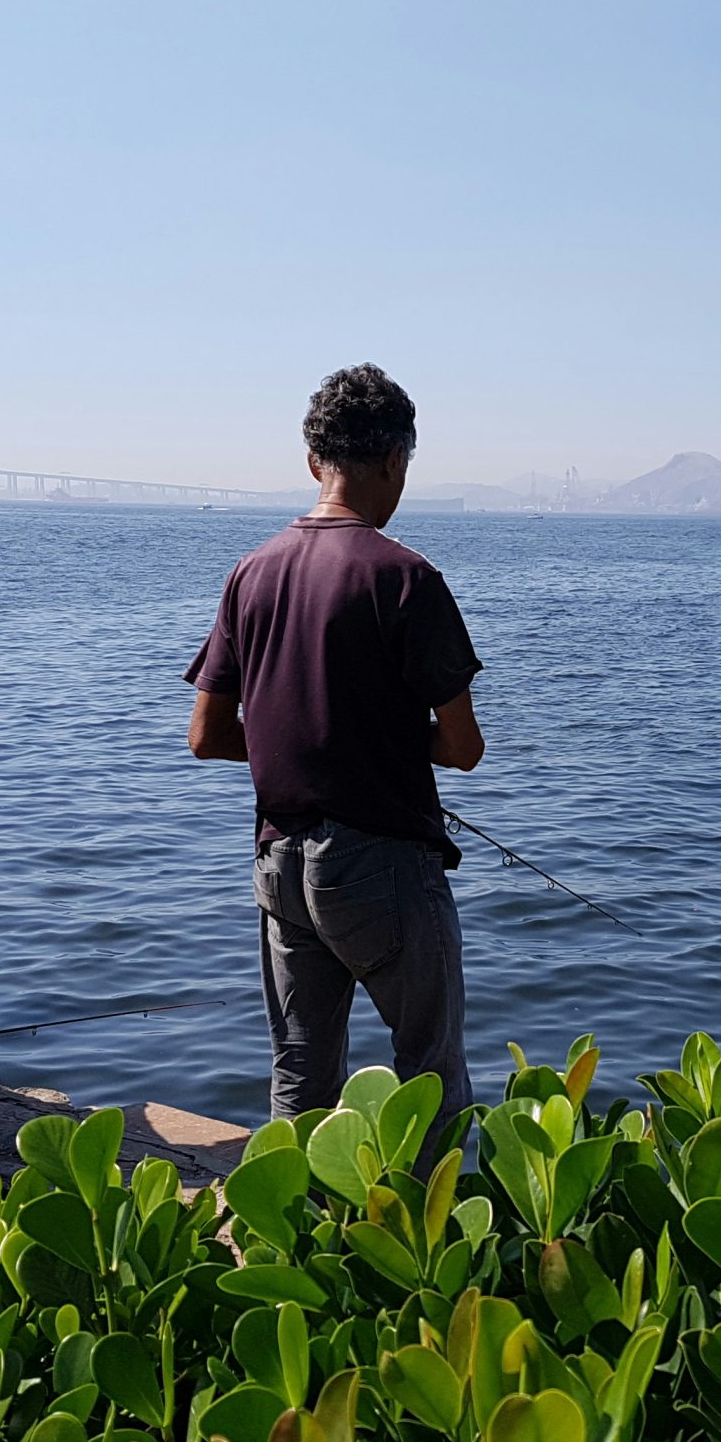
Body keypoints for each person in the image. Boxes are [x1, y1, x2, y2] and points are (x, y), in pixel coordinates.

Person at [188, 364, 486, 1133]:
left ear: (313, 460)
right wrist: (378, 742)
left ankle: (291, 1236)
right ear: (395, 460)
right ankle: (432, 1248)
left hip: (279, 865)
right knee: (431, 1075)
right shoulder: (407, 578)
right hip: (384, 867)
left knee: (300, 1072)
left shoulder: (250, 574)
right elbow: (462, 747)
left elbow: (208, 737)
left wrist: (313, 744)